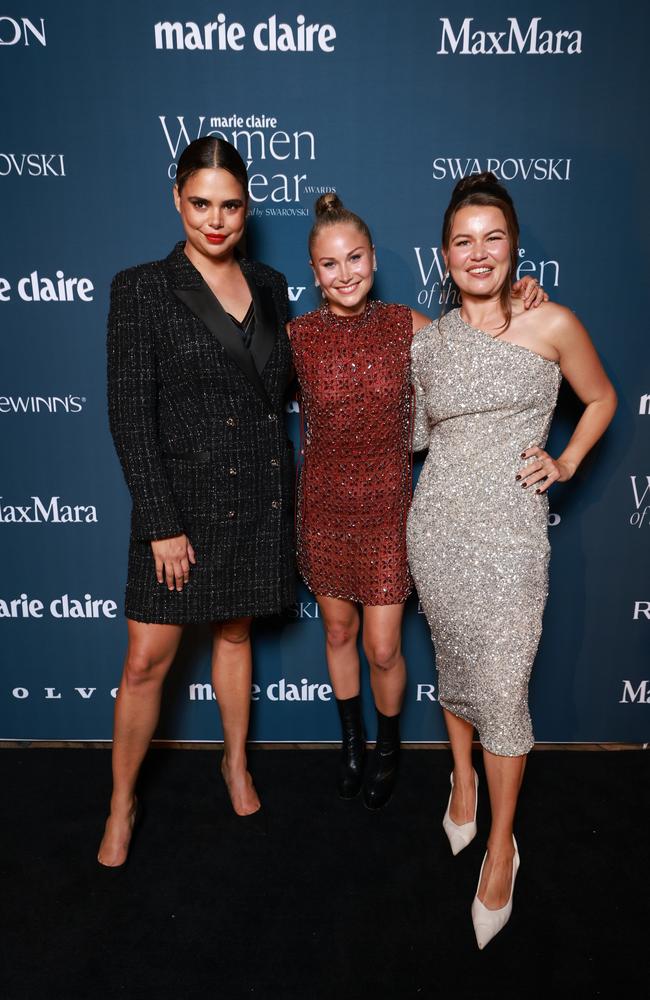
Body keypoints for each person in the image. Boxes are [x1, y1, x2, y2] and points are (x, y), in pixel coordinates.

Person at [407, 172, 617, 947]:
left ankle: (502, 847)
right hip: (436, 532)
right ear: (445, 255)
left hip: (513, 537)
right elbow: (417, 436)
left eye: (493, 238)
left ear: (515, 247)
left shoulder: (552, 321)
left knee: (503, 685)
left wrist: (564, 463)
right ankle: (460, 781)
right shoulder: (427, 344)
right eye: (463, 241)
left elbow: (601, 399)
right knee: (457, 665)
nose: (479, 253)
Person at [289, 193, 546, 810]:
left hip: (388, 507)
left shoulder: (406, 325)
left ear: (374, 259)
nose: (345, 272)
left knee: (383, 645)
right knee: (337, 631)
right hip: (323, 505)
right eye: (330, 264)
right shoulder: (297, 336)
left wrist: (516, 296)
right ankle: (352, 742)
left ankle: (388, 745)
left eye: (355, 257)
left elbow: (476, 346)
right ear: (314, 272)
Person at [98, 137, 295, 868]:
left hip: (256, 500)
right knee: (147, 660)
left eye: (231, 205)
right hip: (179, 508)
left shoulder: (272, 284)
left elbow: (298, 378)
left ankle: (234, 763)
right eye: (201, 203)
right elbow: (128, 411)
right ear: (176, 198)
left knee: (235, 636)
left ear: (248, 206)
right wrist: (159, 523)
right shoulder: (141, 287)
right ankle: (122, 800)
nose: (217, 220)